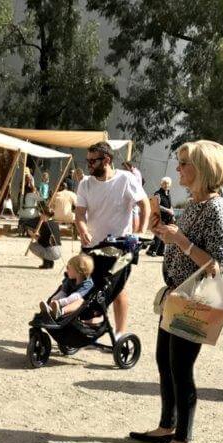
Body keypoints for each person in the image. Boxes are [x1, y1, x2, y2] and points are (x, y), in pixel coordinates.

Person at [129, 140, 223, 443]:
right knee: (165, 361)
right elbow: (183, 244)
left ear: (202, 169)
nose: (178, 168)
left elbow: (218, 264)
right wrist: (167, 235)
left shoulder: (215, 207)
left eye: (184, 163)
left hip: (195, 299)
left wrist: (181, 241)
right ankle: (167, 424)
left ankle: (182, 437)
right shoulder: (195, 203)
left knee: (181, 367)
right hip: (176, 294)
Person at [74, 142, 150, 336]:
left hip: (119, 247)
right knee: (86, 286)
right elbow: (80, 215)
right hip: (91, 246)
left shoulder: (126, 179)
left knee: (117, 289)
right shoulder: (85, 184)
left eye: (93, 161)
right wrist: (82, 229)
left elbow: (144, 204)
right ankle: (88, 323)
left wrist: (140, 231)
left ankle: (120, 332)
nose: (89, 164)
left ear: (106, 160)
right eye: (88, 160)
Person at [40, 253, 94, 319]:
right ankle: (50, 310)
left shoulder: (87, 283)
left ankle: (61, 312)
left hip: (81, 305)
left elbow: (75, 297)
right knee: (56, 297)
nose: (67, 271)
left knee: (80, 301)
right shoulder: (69, 279)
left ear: (78, 271)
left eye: (69, 268)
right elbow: (63, 292)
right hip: (66, 299)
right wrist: (53, 300)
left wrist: (59, 302)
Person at [146, 177, 173, 256]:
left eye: (167, 183)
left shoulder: (168, 193)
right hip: (160, 216)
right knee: (159, 234)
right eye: (164, 183)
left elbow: (170, 205)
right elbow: (157, 205)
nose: (166, 185)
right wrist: (168, 210)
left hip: (168, 217)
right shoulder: (158, 193)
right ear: (161, 184)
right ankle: (152, 251)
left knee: (164, 234)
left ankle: (160, 251)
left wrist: (172, 212)